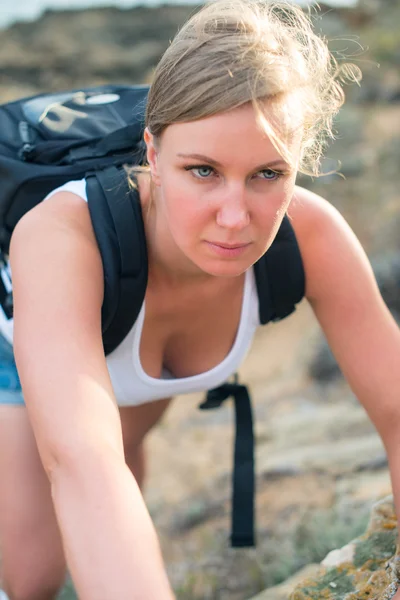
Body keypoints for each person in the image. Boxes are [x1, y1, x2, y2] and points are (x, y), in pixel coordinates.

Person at [0, 0, 399, 598]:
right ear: (154, 155)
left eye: (268, 174)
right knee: (31, 575)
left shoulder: (312, 233)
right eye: (203, 171)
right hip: (28, 343)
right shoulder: (61, 237)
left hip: (129, 366)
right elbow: (84, 467)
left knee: (120, 472)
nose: (236, 218)